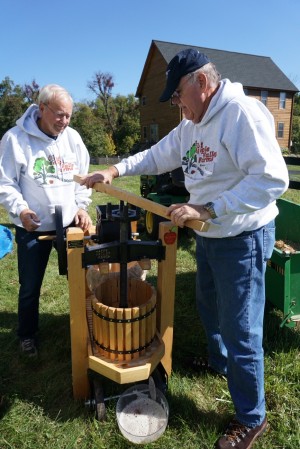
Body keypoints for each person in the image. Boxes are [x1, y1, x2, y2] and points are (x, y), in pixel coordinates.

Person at [79, 49, 289, 448]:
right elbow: (158, 155)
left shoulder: (240, 114)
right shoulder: (192, 123)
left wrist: (208, 207)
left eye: (177, 95)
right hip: (210, 233)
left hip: (241, 236)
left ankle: (251, 415)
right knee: (209, 308)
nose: (176, 105)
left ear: (202, 83)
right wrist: (114, 169)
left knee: (241, 328)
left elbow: (271, 179)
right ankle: (220, 363)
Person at [0, 84, 92, 358]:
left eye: (69, 116)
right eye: (60, 115)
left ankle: (84, 326)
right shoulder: (15, 140)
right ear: (42, 109)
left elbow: (83, 177)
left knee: (82, 278)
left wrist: (82, 207)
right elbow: (5, 182)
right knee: (30, 286)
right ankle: (27, 335)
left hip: (69, 225)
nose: (64, 122)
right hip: (33, 227)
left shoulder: (72, 138)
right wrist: (22, 210)